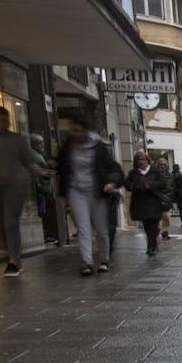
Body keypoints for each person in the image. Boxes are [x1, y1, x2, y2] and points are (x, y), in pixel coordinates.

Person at [57, 118, 122, 275]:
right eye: (73, 131)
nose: (75, 134)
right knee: (83, 228)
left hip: (97, 191)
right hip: (76, 191)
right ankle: (87, 262)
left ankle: (104, 259)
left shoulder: (98, 148)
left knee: (101, 228)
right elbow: (61, 163)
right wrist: (53, 162)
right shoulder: (68, 147)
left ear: (87, 131)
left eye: (79, 131)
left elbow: (114, 168)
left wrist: (111, 183)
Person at [0, 106, 37, 277]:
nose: (6, 123)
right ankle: (12, 252)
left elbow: (28, 162)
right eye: (1, 120)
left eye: (7, 119)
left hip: (15, 185)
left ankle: (13, 260)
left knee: (10, 221)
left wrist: (34, 180)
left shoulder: (17, 139)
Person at [125, 151, 170, 257]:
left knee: (154, 226)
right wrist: (134, 186)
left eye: (143, 159)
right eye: (138, 160)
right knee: (147, 226)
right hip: (141, 203)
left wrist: (149, 185)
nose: (141, 162)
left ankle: (152, 246)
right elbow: (127, 183)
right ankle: (151, 246)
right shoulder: (133, 173)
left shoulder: (155, 171)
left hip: (154, 202)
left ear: (147, 160)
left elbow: (163, 183)